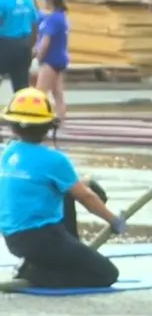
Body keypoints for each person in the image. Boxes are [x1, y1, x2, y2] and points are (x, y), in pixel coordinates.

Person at [0, 88, 124, 289]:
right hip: (42, 238)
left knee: (67, 192)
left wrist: (86, 181)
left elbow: (47, 182)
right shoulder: (54, 160)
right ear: (49, 126)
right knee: (106, 274)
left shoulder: (9, 152)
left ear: (12, 127)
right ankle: (35, 274)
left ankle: (50, 259)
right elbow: (86, 198)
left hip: (14, 239)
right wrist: (114, 221)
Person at [33, 0, 71, 121]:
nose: (44, 2)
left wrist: (38, 58)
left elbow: (45, 43)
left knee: (39, 93)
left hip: (50, 60)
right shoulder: (60, 17)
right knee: (57, 93)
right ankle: (61, 120)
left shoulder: (53, 20)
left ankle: (37, 120)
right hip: (60, 59)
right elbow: (40, 15)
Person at [0, 0, 38, 94]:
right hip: (23, 48)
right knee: (21, 89)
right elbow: (35, 25)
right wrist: (30, 48)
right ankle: (22, 112)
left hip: (3, 46)